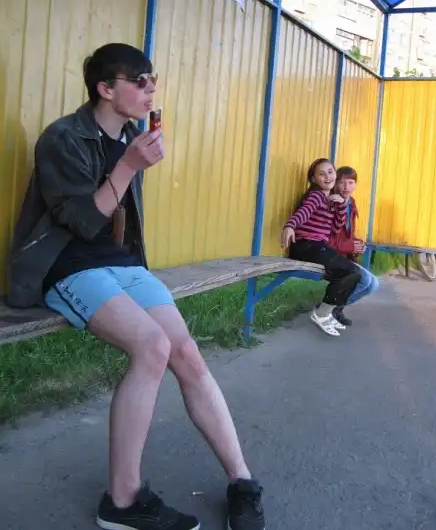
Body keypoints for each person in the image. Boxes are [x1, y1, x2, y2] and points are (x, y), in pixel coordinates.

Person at [7, 43, 264, 530]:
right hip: (66, 267)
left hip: (118, 265)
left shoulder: (130, 135)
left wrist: (131, 162)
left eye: (154, 80)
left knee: (186, 353)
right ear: (106, 88)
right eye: (139, 80)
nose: (151, 89)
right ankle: (121, 502)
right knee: (151, 347)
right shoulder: (62, 138)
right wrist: (128, 166)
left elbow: (120, 221)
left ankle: (242, 481)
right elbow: (82, 223)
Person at [281, 158, 361, 337]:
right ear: (314, 179)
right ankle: (322, 314)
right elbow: (304, 212)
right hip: (306, 245)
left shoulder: (330, 199)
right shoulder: (316, 196)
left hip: (317, 246)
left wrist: (340, 205)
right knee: (351, 272)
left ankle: (327, 312)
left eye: (330, 172)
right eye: (321, 174)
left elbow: (336, 227)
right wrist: (290, 226)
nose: (327, 177)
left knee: (352, 272)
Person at [329, 166, 379, 327]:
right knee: (365, 280)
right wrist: (351, 246)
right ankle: (327, 308)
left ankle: (333, 308)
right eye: (341, 182)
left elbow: (348, 234)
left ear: (355, 184)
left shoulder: (351, 203)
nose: (346, 187)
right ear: (335, 183)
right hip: (328, 254)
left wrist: (359, 244)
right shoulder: (332, 202)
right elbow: (326, 239)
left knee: (373, 284)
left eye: (350, 182)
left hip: (343, 254)